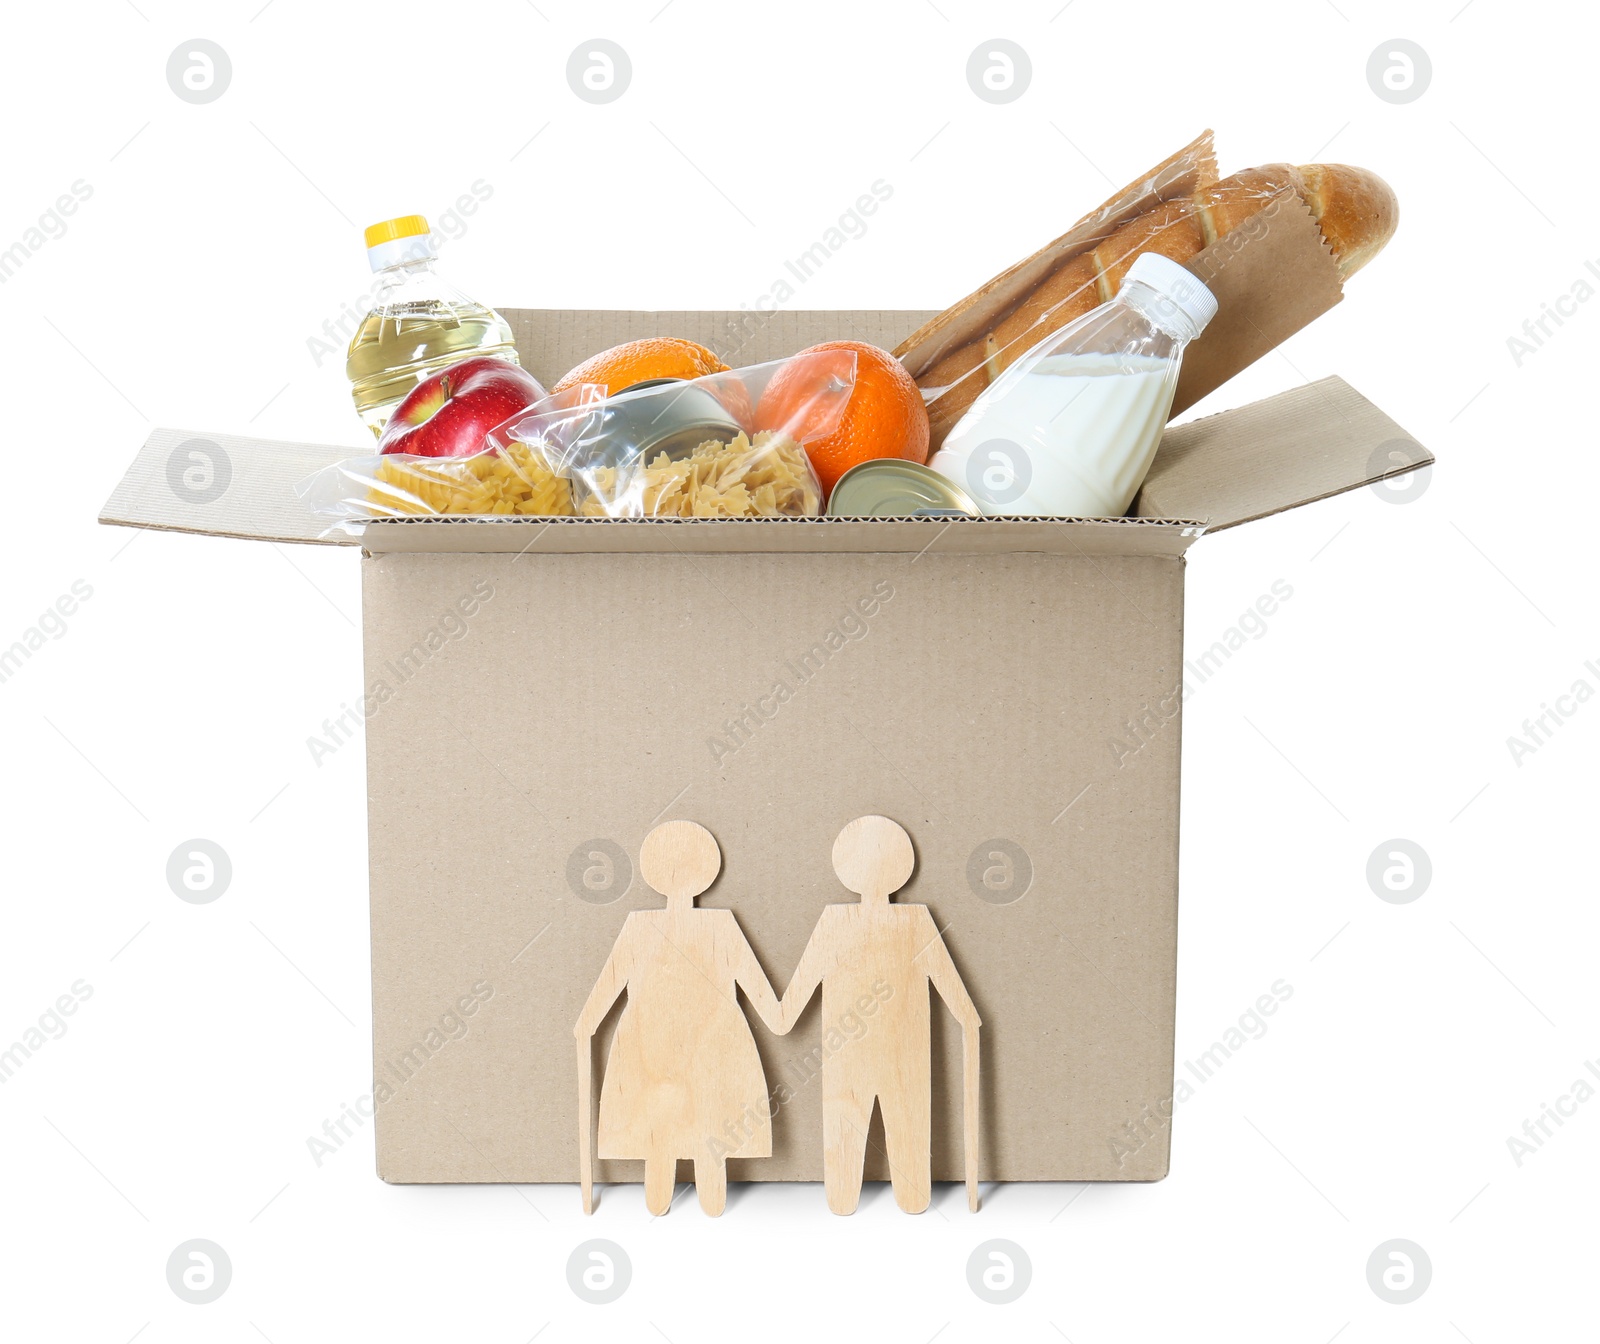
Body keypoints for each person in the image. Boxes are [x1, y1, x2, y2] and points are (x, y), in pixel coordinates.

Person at [775, 815, 981, 1214]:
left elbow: (788, 1010)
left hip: (865, 1060)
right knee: (903, 1157)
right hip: (893, 1061)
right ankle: (902, 1200)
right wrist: (970, 1025)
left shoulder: (845, 923)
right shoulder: (911, 922)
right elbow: (962, 1007)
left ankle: (866, 1200)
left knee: (854, 1162)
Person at [575, 820, 781, 1216]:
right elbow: (765, 1001)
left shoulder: (644, 926)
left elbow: (598, 1003)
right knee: (705, 1132)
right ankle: (705, 1202)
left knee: (666, 1135)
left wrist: (585, 1026)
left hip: (668, 1049)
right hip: (704, 1049)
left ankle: (664, 1202)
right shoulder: (717, 926)